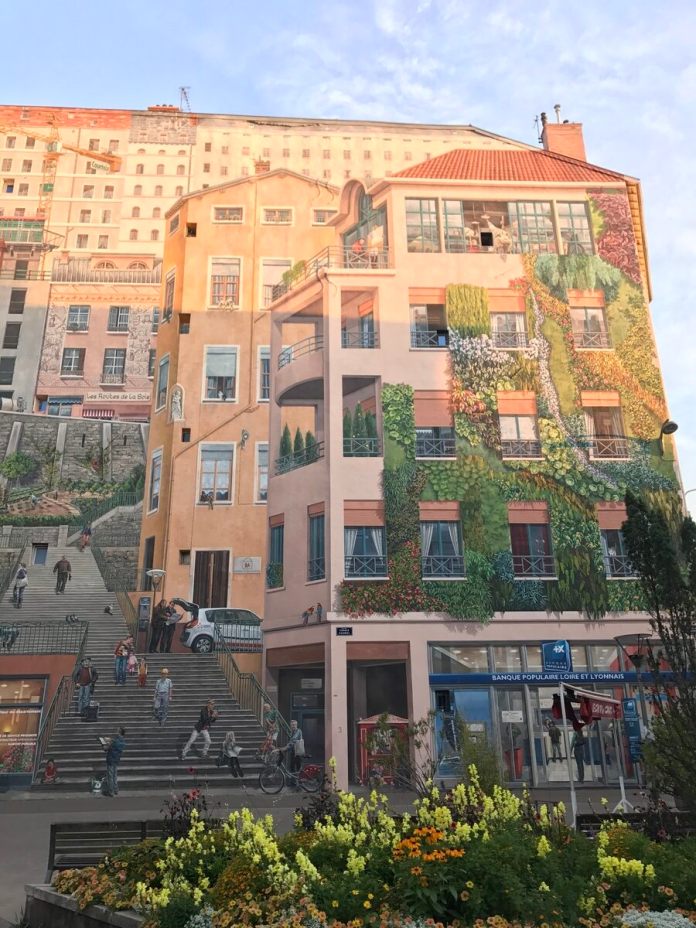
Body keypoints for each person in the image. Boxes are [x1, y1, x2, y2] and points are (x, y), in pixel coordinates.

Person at [103, 726, 126, 796]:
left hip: (111, 759)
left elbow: (106, 749)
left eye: (117, 731)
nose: (116, 732)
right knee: (115, 775)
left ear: (119, 732)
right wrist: (111, 741)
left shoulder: (115, 741)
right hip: (116, 759)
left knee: (110, 776)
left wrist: (105, 744)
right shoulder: (122, 741)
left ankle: (111, 791)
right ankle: (116, 789)